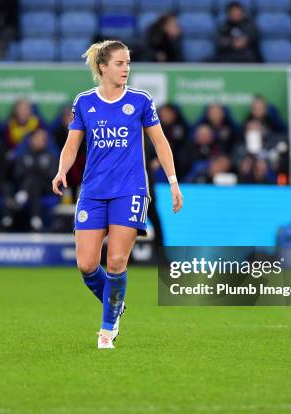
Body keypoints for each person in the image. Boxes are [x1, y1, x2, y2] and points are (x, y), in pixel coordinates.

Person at [51, 40, 183, 349]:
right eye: (120, 63)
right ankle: (115, 303)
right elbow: (72, 146)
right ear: (103, 68)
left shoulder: (140, 100)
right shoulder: (84, 102)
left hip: (129, 190)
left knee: (116, 260)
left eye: (128, 63)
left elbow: (160, 143)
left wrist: (173, 181)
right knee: (86, 264)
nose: (126, 69)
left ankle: (107, 329)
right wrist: (61, 171)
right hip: (93, 191)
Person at [14, 128, 58, 231]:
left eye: (42, 139)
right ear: (31, 140)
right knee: (33, 182)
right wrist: (36, 170)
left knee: (34, 179)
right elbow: (18, 175)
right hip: (31, 187)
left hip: (47, 187)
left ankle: (21, 197)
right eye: (37, 138)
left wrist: (35, 169)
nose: (40, 141)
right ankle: (36, 218)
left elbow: (52, 175)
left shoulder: (50, 155)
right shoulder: (24, 154)